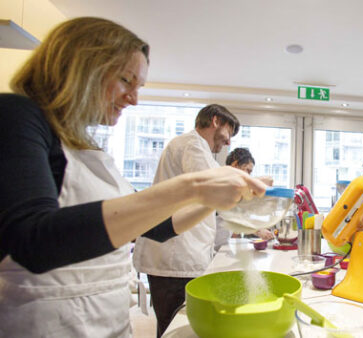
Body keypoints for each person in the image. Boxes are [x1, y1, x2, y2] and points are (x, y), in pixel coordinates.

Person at [0, 17, 267, 338]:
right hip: (48, 321)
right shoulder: (18, 114)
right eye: (127, 80)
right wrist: (195, 187)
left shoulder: (87, 147)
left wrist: (210, 200)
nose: (134, 98)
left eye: (138, 87)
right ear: (82, 67)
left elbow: (158, 227)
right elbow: (34, 242)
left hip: (105, 318)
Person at [133, 104, 247, 337]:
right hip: (174, 258)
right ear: (215, 120)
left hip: (183, 256)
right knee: (172, 328)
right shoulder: (191, 144)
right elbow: (215, 187)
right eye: (228, 133)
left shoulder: (202, 152)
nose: (228, 143)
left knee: (178, 326)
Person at [222, 147, 275, 241]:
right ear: (235, 165)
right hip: (216, 246)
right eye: (247, 170)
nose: (248, 175)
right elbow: (269, 180)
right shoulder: (223, 183)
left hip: (224, 244)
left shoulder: (235, 190)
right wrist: (258, 230)